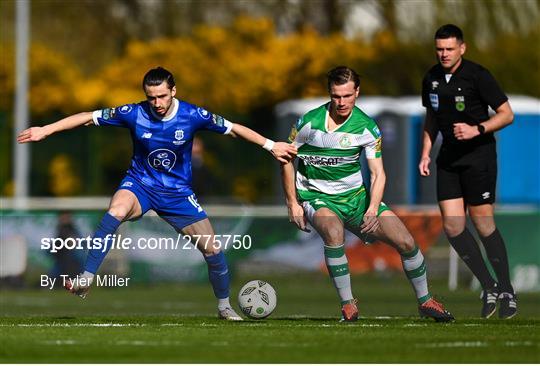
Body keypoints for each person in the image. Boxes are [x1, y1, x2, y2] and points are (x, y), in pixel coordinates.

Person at [17, 66, 297, 321]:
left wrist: (271, 145)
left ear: (173, 91)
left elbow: (234, 129)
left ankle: (224, 306)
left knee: (213, 250)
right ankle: (86, 277)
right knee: (115, 211)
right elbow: (88, 117)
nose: (157, 103)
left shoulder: (192, 115)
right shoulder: (133, 113)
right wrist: (46, 129)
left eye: (162, 96)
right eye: (151, 97)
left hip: (177, 195)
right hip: (139, 186)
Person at [280, 66, 453, 322]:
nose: (341, 102)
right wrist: (292, 203)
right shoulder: (308, 122)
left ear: (357, 93)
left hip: (358, 201)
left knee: (406, 242)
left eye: (347, 96)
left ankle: (426, 301)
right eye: (336, 96)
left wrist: (372, 209)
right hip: (318, 198)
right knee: (333, 230)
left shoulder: (367, 127)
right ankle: (348, 305)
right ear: (330, 93)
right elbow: (285, 158)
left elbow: (378, 174)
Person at [419, 24, 516, 319]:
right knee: (452, 227)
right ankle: (487, 286)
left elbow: (507, 114)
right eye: (439, 49)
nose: (444, 54)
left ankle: (506, 289)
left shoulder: (478, 75)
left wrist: (477, 129)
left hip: (479, 157)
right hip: (448, 159)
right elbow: (431, 118)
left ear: (462, 48)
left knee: (483, 224)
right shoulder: (431, 78)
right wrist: (425, 152)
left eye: (449, 49)